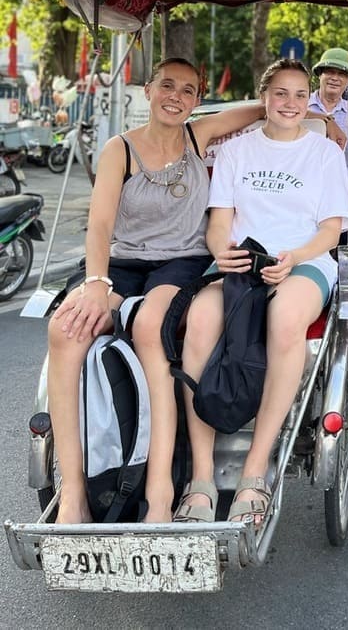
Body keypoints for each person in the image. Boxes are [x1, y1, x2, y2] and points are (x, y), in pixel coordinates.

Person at [48, 58, 267, 524]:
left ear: (198, 99)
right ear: (147, 90)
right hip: (122, 263)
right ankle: (72, 493)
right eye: (167, 85)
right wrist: (94, 283)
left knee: (150, 326)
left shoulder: (198, 134)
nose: (176, 96)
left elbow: (259, 107)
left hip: (181, 261)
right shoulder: (119, 148)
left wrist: (321, 115)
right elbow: (101, 224)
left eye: (188, 90)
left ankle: (160, 491)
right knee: (64, 330)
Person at [174, 58, 348, 524]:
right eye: (280, 93)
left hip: (304, 259)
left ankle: (256, 469)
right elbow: (219, 223)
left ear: (308, 100)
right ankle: (202, 475)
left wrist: (294, 256)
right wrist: (223, 251)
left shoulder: (325, 154)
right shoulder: (237, 151)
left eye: (299, 95)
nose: (290, 103)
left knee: (286, 318)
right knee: (200, 320)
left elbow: (331, 231)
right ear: (264, 97)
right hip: (240, 259)